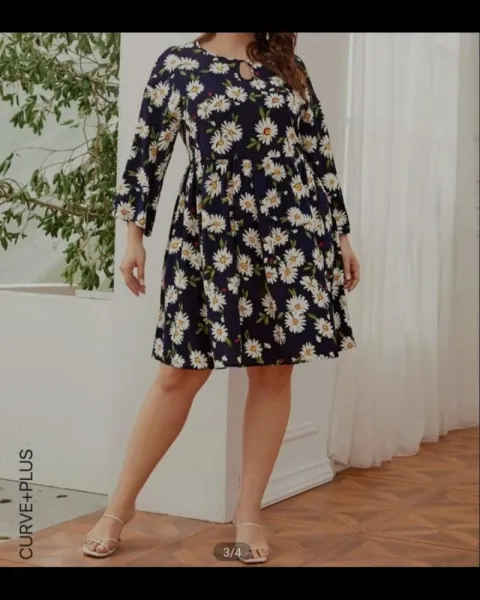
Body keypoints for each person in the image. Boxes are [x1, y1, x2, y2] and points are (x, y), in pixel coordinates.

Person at [82, 32, 360, 565]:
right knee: (177, 374)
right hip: (209, 234)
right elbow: (147, 153)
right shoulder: (179, 64)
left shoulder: (289, 66)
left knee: (274, 373)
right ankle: (119, 506)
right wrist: (133, 238)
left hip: (289, 231)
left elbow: (318, 155)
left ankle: (248, 512)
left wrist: (342, 236)